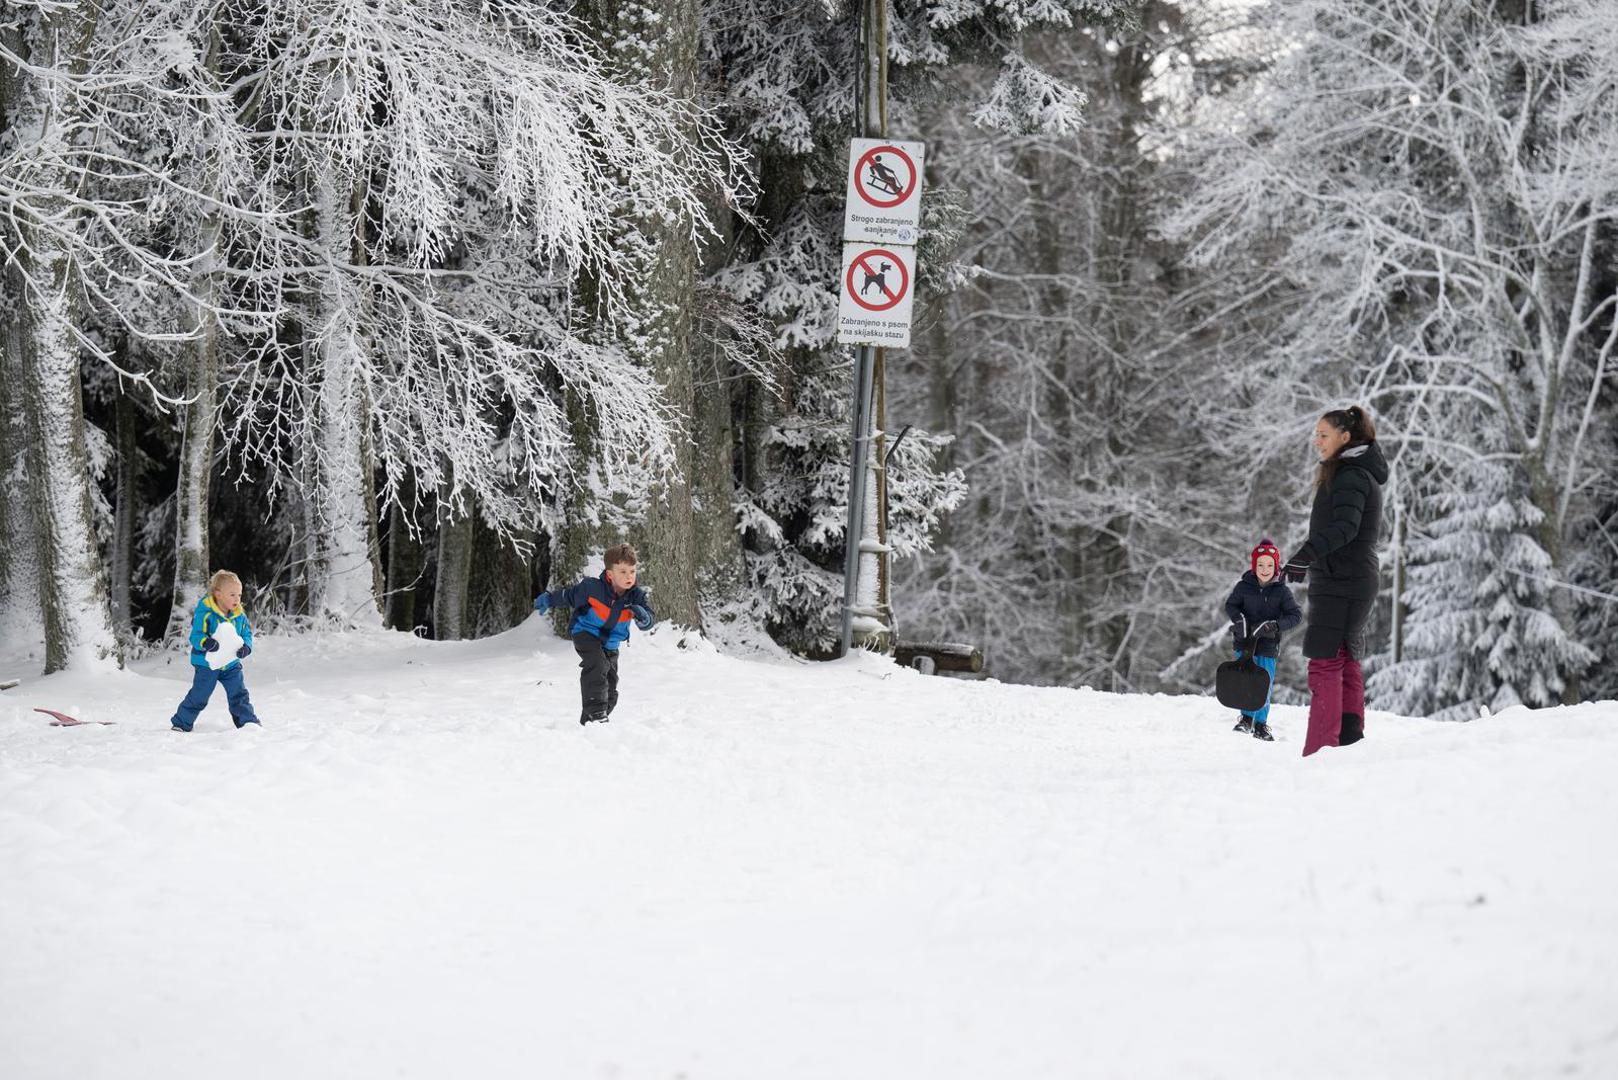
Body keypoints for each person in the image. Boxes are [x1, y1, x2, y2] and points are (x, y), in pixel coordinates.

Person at [1280, 405, 1389, 756]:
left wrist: (1306, 554)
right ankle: (1347, 743)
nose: (1317, 441)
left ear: (1345, 437)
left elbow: (1345, 528)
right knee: (1344, 656)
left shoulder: (1351, 476)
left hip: (1343, 579)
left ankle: (1321, 751)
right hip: (1349, 578)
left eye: (1324, 435)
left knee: (1325, 661)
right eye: (1316, 434)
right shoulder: (1352, 472)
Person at [534, 543, 656, 725]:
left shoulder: (636, 596)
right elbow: (569, 596)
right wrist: (549, 599)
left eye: (632, 571)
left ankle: (590, 724)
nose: (629, 576)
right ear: (610, 574)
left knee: (610, 689)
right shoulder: (592, 588)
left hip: (611, 643)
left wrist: (644, 617)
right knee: (597, 665)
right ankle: (597, 714)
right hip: (586, 632)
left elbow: (649, 619)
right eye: (623, 572)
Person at [1223, 538, 1303, 741]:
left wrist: (1275, 625)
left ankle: (1260, 724)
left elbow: (1295, 615)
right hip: (1244, 641)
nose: (1264, 569)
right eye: (1260, 565)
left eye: (1269, 565)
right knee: (1245, 680)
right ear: (1254, 566)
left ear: (1275, 566)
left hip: (1267, 644)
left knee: (1263, 682)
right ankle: (1245, 719)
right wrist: (1239, 619)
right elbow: (1231, 605)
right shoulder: (1243, 587)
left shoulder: (1282, 591)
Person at [169, 570, 260, 732]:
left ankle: (247, 723)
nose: (237, 599)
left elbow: (246, 633)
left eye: (239, 595)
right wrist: (206, 643)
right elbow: (196, 635)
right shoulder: (206, 613)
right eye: (232, 595)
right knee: (200, 695)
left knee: (239, 693)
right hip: (207, 664)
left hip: (230, 663)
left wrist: (246, 646)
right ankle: (181, 723)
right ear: (218, 594)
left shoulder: (239, 615)